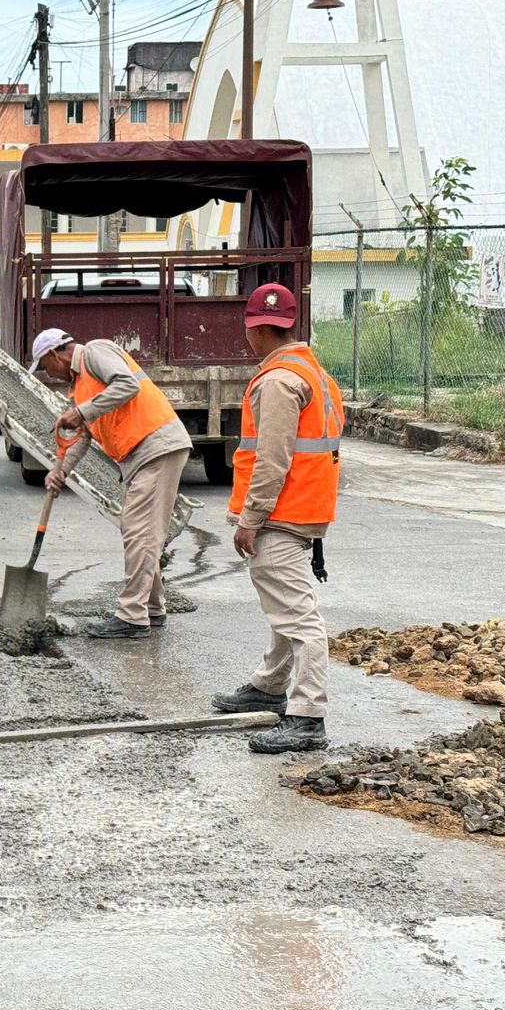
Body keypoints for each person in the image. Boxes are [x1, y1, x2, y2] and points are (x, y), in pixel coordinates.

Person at [212, 283, 345, 754]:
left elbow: (271, 460)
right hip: (305, 509)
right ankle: (269, 685)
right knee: (284, 605)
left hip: (282, 513)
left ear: (255, 328)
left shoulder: (277, 381)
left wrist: (250, 517)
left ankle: (308, 717)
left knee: (299, 618)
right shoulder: (313, 372)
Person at [32, 326, 191, 638]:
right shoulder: (79, 389)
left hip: (156, 444)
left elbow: (127, 386)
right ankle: (151, 608)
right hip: (140, 455)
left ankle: (132, 615)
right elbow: (82, 436)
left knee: (139, 531)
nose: (46, 374)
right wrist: (60, 471)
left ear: (55, 354)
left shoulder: (94, 352)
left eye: (44, 366)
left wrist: (82, 411)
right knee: (138, 531)